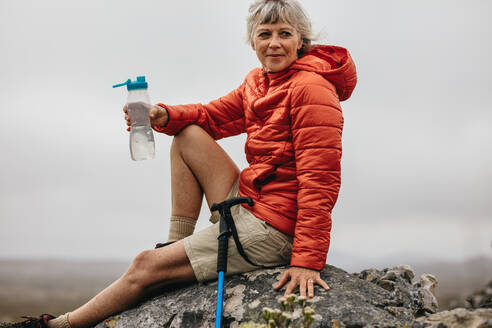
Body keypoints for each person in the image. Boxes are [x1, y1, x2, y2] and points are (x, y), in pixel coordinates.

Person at [28, 0, 356, 327]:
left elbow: (320, 181)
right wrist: (164, 115)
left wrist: (306, 260)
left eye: (285, 33)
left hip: (276, 228)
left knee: (144, 266)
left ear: (301, 40)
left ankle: (56, 325)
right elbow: (211, 117)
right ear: (252, 40)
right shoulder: (258, 81)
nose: (274, 43)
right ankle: (174, 245)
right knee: (187, 135)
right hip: (251, 202)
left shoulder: (311, 89)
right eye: (264, 33)